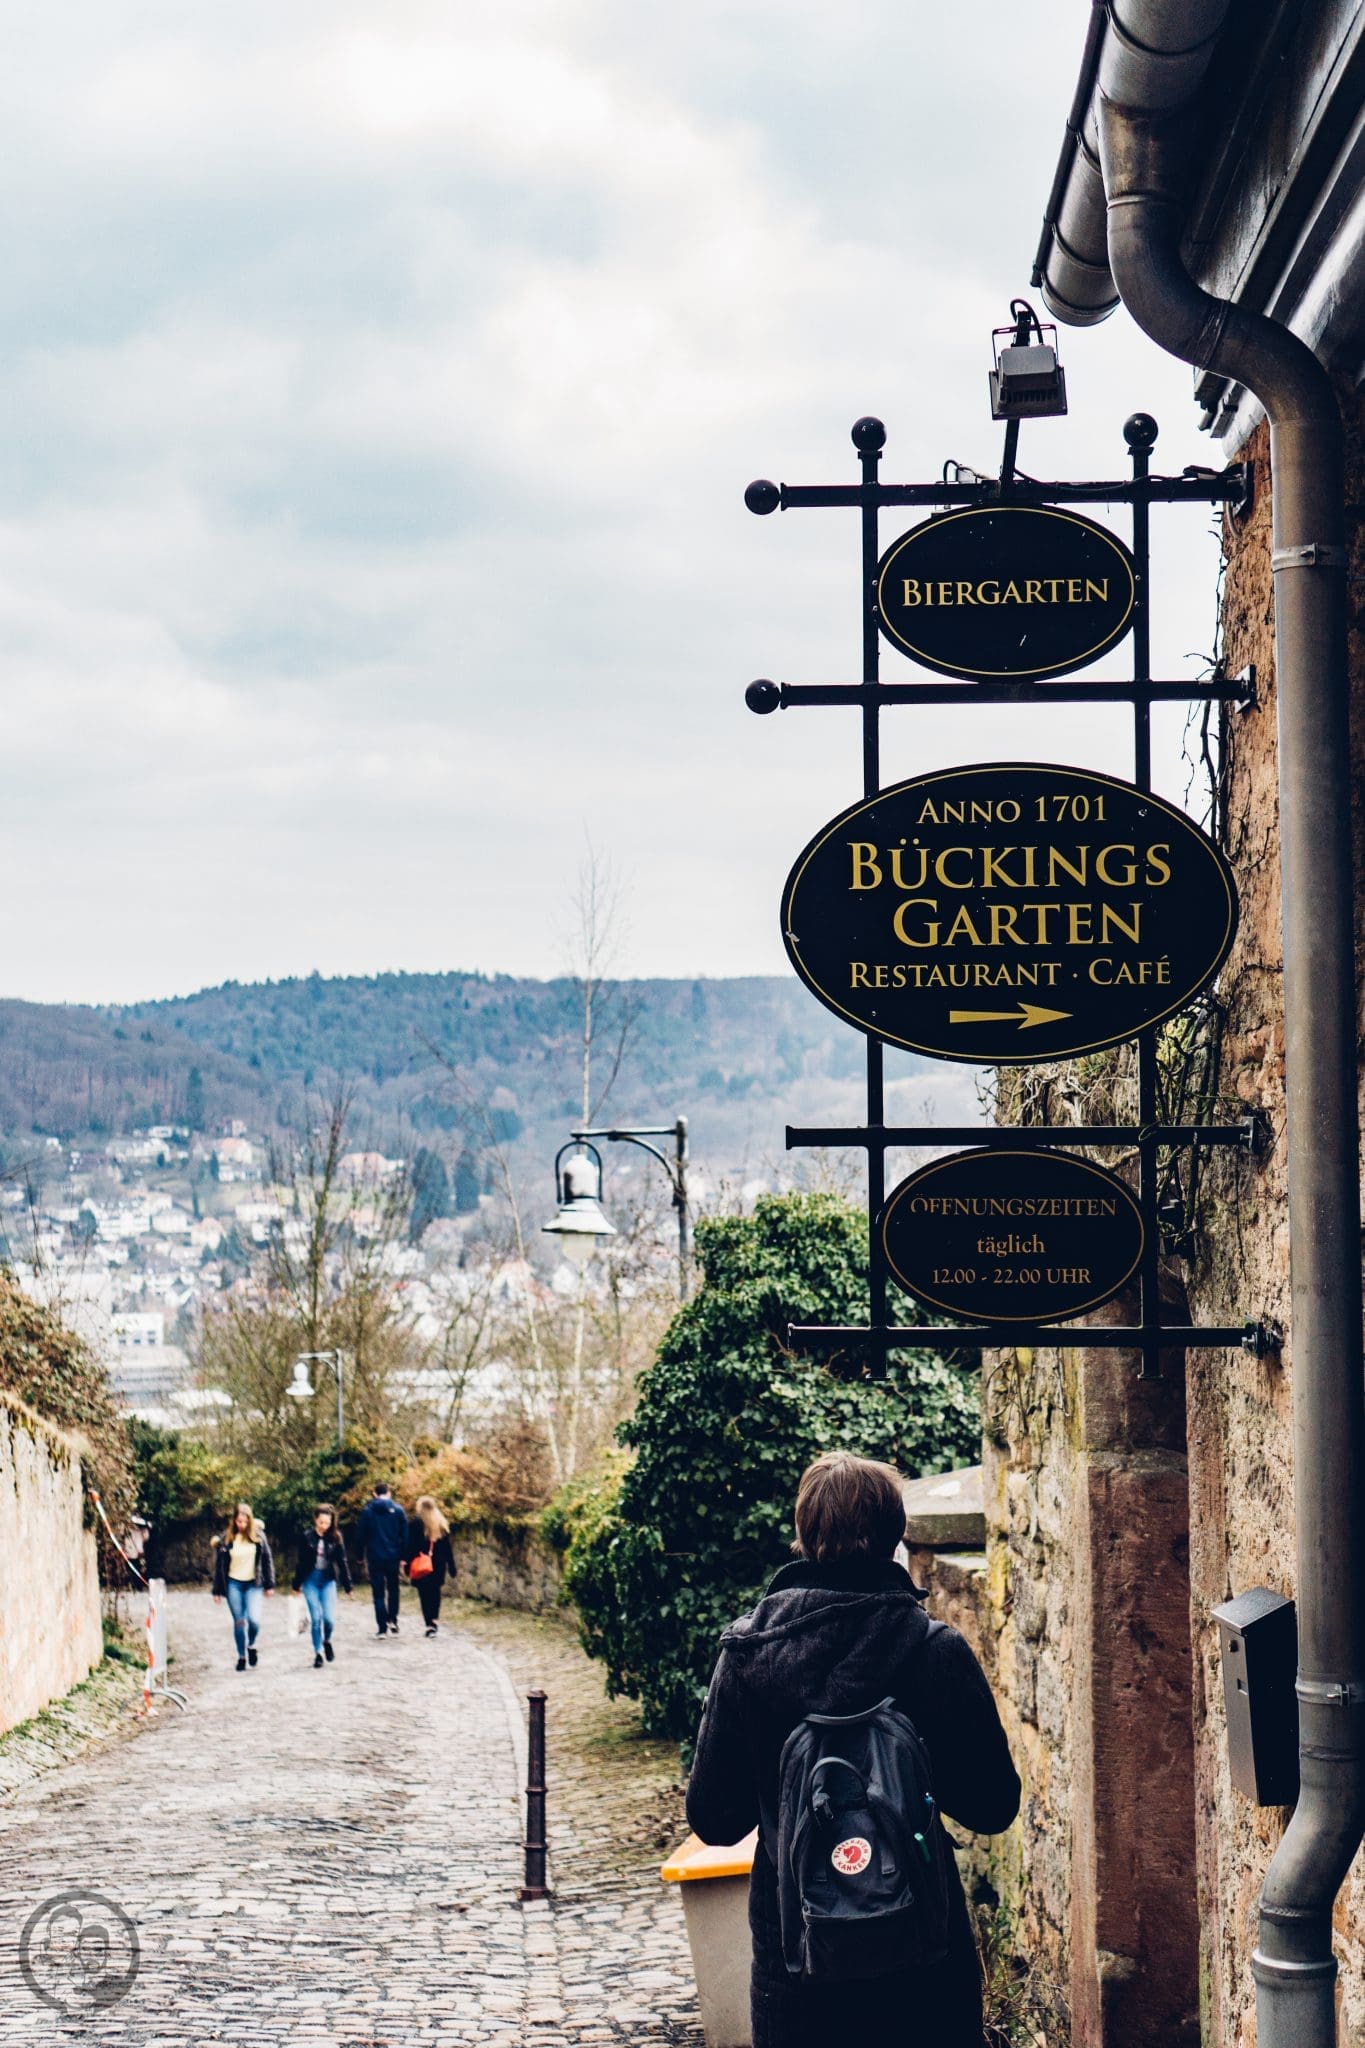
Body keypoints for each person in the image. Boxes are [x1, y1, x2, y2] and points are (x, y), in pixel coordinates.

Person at [685, 1451, 1021, 2048]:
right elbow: (993, 1806)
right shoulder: (935, 1651)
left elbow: (715, 1820)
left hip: (799, 1961)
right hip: (922, 1956)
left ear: (803, 1537)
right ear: (897, 1536)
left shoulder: (747, 1656)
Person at [211, 1502, 275, 1670]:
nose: (242, 1525)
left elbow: (267, 1560)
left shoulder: (259, 1537)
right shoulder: (226, 1539)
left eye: (245, 1522)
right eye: (239, 1521)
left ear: (250, 1521)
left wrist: (269, 1584)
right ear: (234, 1521)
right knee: (239, 1622)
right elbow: (220, 1566)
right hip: (234, 1584)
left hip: (254, 1584)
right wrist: (216, 1590)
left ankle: (251, 1645)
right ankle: (241, 1657)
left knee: (254, 1621)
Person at [292, 1502, 354, 1668]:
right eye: (321, 1522)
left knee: (329, 1620)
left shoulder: (336, 1537)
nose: (324, 1526)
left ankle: (327, 1640)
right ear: (315, 1520)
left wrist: (348, 1586)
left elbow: (343, 1562)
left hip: (327, 1580)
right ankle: (318, 1652)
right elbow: (301, 1562)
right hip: (311, 1580)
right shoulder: (306, 1537)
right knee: (316, 1618)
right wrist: (296, 1585)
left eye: (327, 1523)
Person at [355, 1480, 408, 1637]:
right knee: (393, 1589)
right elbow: (405, 1536)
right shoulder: (398, 1511)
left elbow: (360, 1536)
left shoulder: (367, 1512)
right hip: (393, 1556)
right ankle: (393, 1619)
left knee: (378, 1593)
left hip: (375, 1557)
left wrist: (359, 1556)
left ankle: (382, 1628)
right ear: (389, 1493)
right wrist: (404, 1556)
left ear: (374, 1494)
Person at [404, 1494, 456, 1636]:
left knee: (424, 1594)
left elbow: (410, 1546)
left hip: (421, 1563)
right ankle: (434, 1620)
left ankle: (428, 1624)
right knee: (435, 1592)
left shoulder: (415, 1524)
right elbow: (447, 1548)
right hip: (438, 1564)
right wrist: (452, 1567)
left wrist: (406, 1563)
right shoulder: (441, 1524)